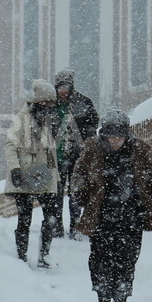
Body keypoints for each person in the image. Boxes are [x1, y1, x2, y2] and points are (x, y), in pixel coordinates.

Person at [71, 108, 152, 302]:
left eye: (119, 135)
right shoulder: (92, 150)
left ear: (127, 134)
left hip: (131, 218)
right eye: (111, 136)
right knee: (99, 262)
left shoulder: (138, 150)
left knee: (126, 264)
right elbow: (78, 175)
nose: (115, 140)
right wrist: (80, 191)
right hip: (101, 218)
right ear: (103, 135)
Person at [4, 79, 67, 268]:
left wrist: (56, 171)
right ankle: (21, 255)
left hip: (45, 173)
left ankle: (44, 255)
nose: (50, 106)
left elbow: (52, 149)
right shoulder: (21, 119)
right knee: (25, 218)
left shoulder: (51, 119)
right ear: (39, 102)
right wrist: (15, 169)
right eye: (47, 102)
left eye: (52, 103)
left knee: (50, 216)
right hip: (24, 173)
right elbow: (10, 145)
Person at [52, 68, 99, 240]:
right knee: (56, 192)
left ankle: (75, 225)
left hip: (78, 156)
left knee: (76, 192)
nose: (63, 91)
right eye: (60, 87)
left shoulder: (84, 102)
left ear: (71, 87)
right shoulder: (51, 104)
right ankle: (56, 225)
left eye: (66, 87)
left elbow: (92, 126)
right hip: (56, 156)